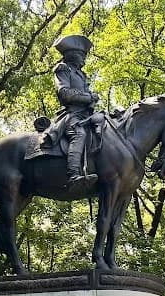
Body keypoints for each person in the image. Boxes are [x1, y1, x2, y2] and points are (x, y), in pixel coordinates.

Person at [52, 34, 99, 193]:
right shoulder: (62, 69)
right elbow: (64, 93)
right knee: (78, 134)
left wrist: (93, 98)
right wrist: (88, 97)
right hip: (71, 115)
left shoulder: (82, 75)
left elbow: (85, 95)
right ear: (73, 54)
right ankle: (73, 176)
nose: (84, 60)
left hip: (86, 115)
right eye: (82, 55)